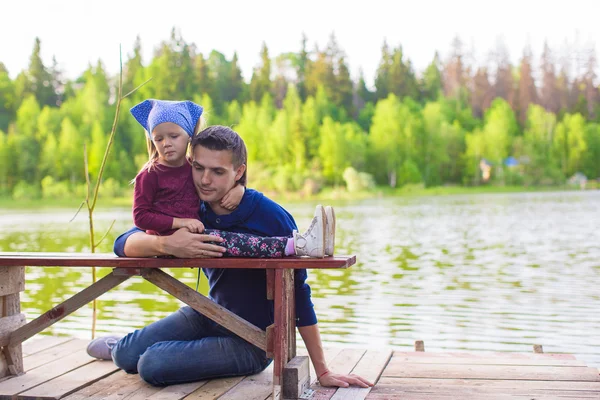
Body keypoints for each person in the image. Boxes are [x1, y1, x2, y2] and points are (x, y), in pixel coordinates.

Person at [90, 125, 371, 389]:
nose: (205, 180)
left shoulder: (272, 217)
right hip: (210, 314)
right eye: (198, 168)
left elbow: (300, 294)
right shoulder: (188, 209)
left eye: (218, 171)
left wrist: (322, 370)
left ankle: (149, 350)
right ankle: (123, 346)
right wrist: (166, 244)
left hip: (252, 341)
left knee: (151, 364)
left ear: (239, 172)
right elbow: (123, 242)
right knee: (125, 356)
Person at [128, 98, 330, 258]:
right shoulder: (150, 174)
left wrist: (239, 188)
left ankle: (305, 244)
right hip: (176, 239)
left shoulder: (189, 167)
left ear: (188, 137)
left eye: (174, 136)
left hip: (194, 236)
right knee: (226, 241)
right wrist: (168, 241)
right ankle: (301, 244)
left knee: (227, 241)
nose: (204, 180)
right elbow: (133, 228)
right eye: (159, 139)